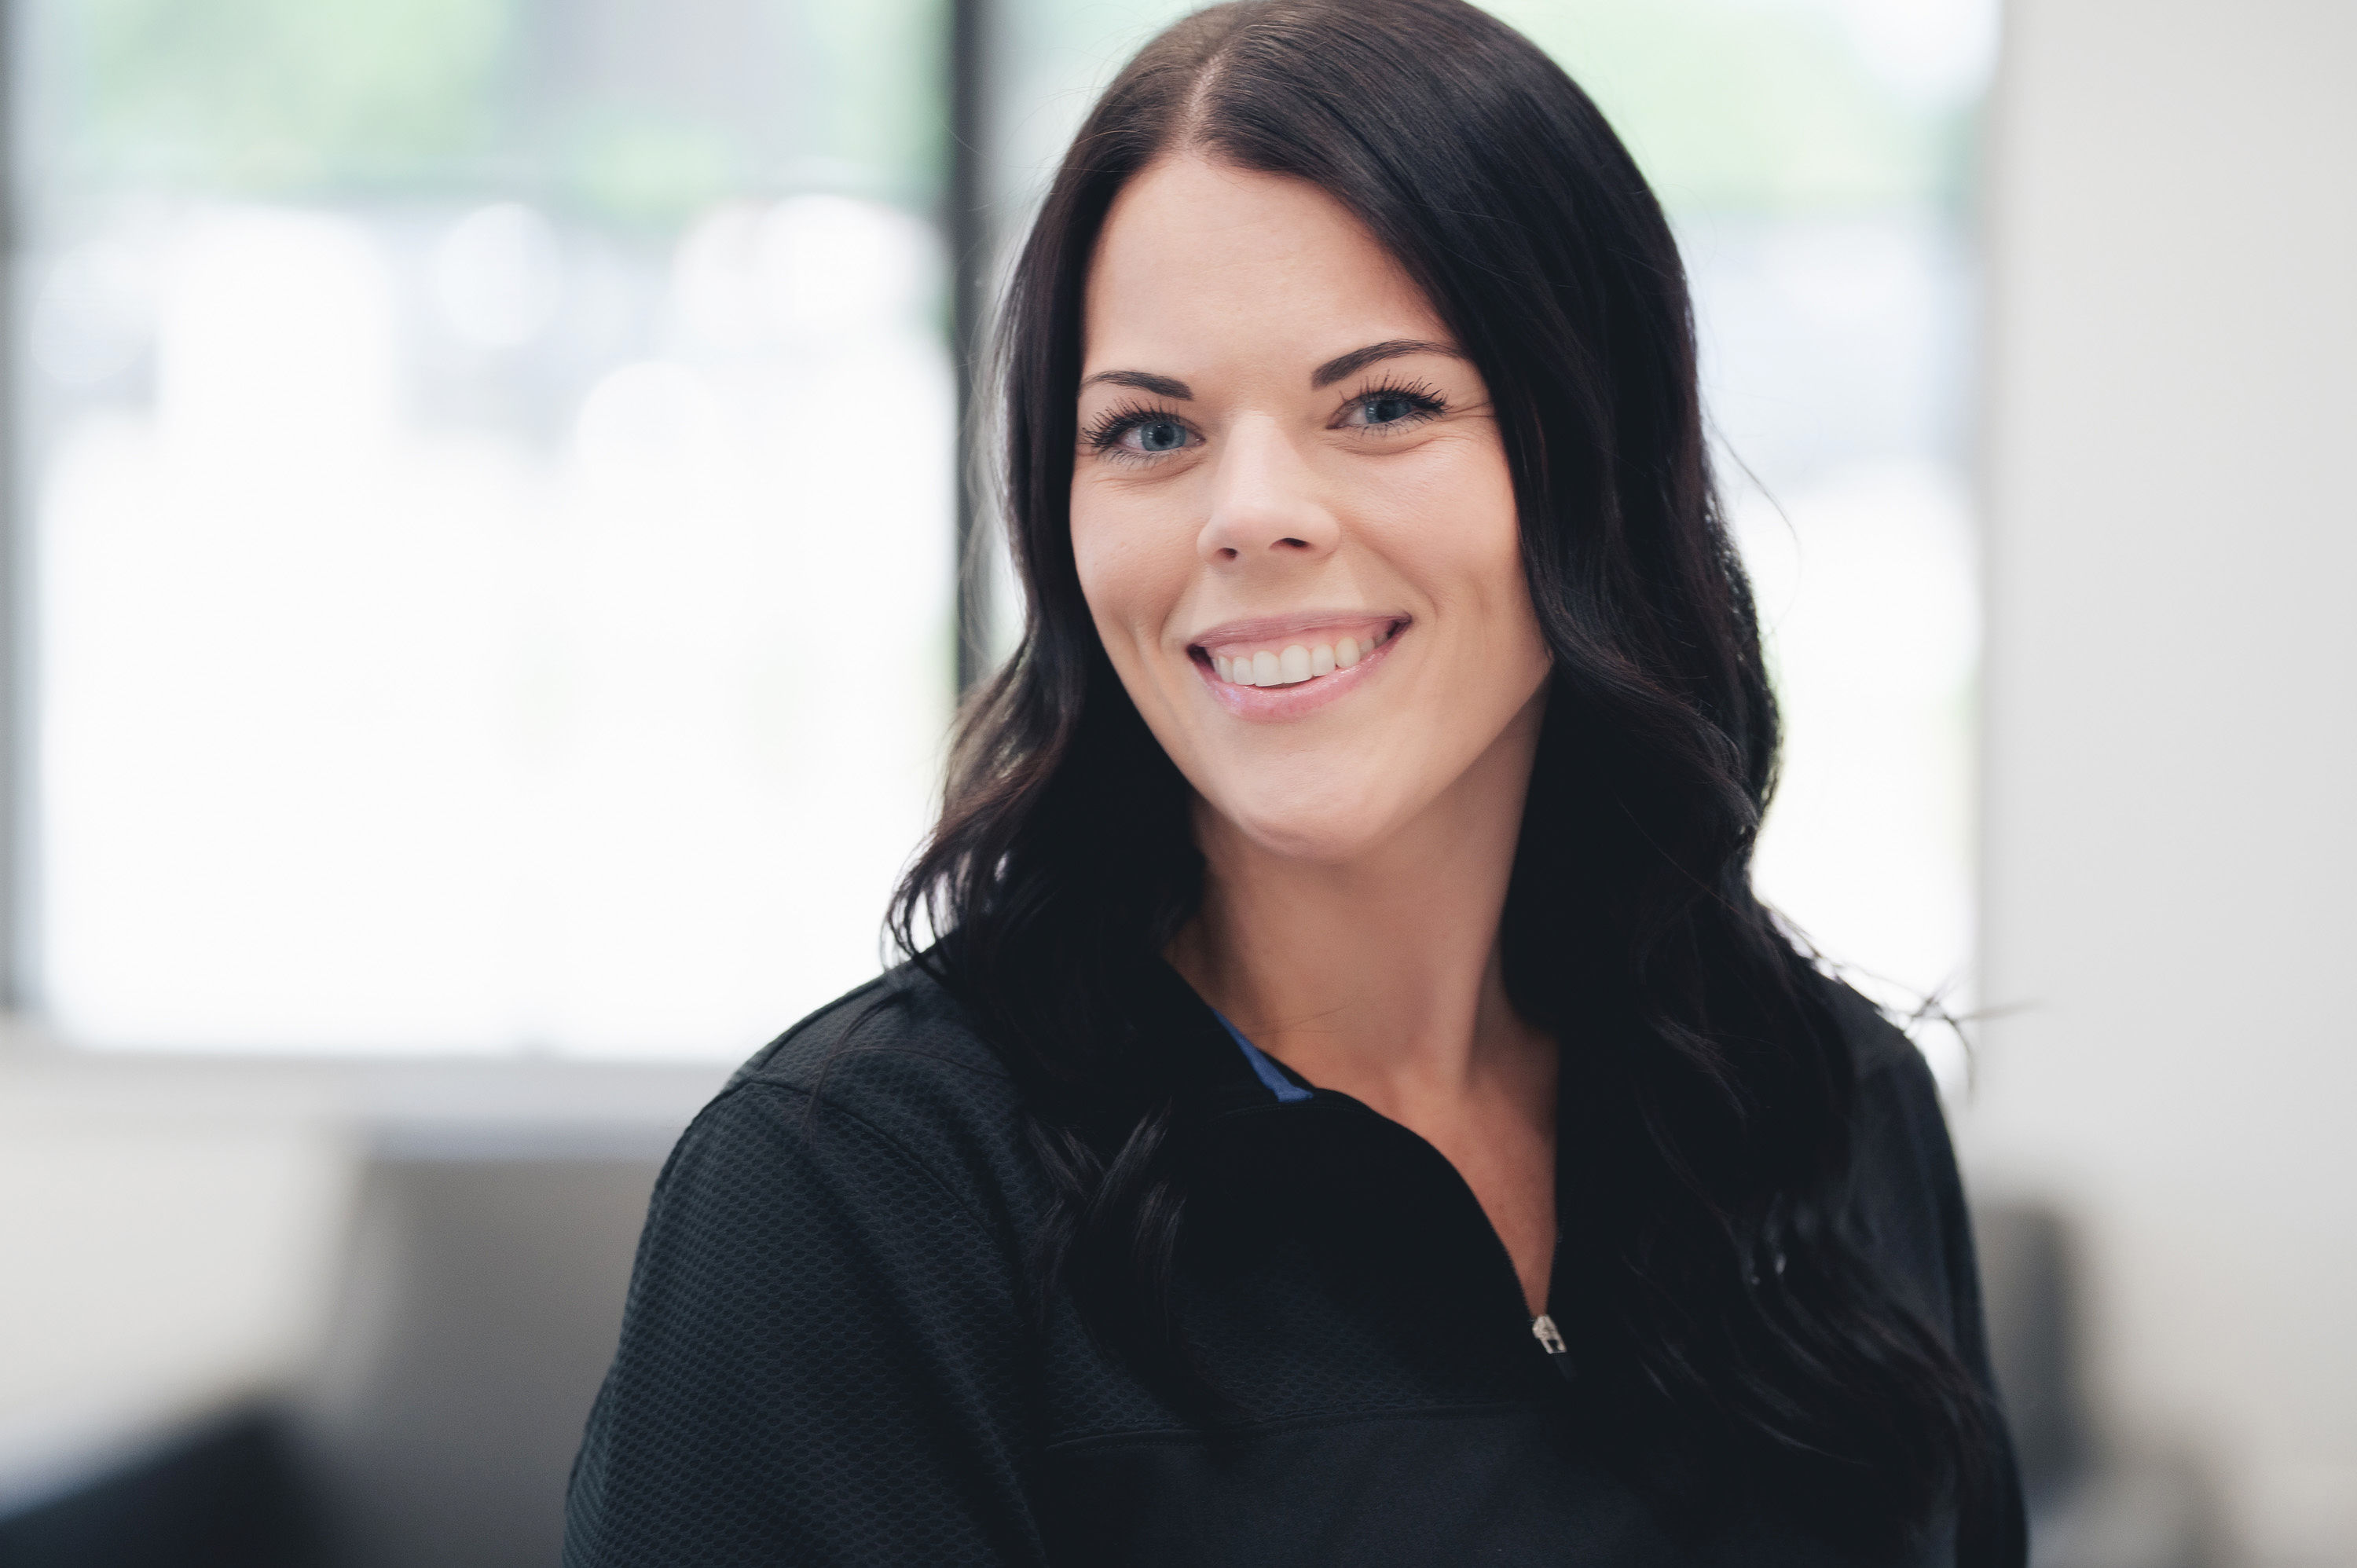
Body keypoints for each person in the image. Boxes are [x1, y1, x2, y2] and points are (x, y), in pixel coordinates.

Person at [563, 2, 2025, 1563]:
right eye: (1149, 430)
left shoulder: (1821, 1108)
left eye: (1383, 403)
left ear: (1598, 451)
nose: (1249, 514)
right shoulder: (861, 1194)